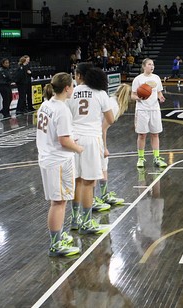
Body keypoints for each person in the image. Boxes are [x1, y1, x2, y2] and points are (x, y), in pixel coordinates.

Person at [36, 73, 83, 257]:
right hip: (58, 160)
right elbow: (64, 141)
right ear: (67, 88)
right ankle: (56, 245)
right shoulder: (62, 109)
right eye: (72, 86)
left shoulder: (46, 104)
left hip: (47, 157)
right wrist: (78, 148)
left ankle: (58, 237)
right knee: (59, 203)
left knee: (57, 202)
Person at [68, 63, 114, 233]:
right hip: (91, 139)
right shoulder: (101, 93)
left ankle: (74, 219)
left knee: (77, 181)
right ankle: (87, 222)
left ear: (79, 76)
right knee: (89, 183)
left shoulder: (71, 93)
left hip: (73, 139)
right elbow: (111, 118)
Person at [98, 84, 131, 207]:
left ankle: (103, 194)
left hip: (91, 134)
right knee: (102, 165)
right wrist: (104, 147)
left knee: (101, 166)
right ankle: (103, 195)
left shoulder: (111, 101)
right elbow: (103, 129)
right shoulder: (115, 106)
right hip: (94, 135)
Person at [131, 58, 168, 168]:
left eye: (153, 64)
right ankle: (141, 158)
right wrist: (140, 97)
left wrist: (161, 97)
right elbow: (132, 95)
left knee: (155, 134)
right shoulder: (138, 79)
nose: (152, 66)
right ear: (144, 66)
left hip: (154, 109)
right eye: (149, 64)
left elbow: (159, 92)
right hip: (142, 110)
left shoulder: (156, 78)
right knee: (142, 134)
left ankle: (156, 158)